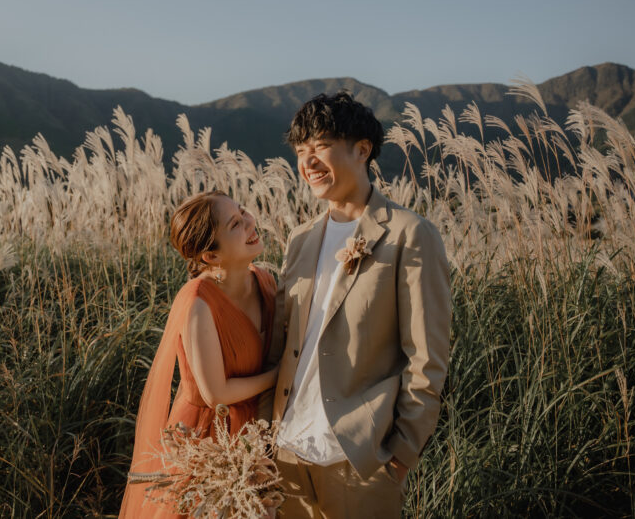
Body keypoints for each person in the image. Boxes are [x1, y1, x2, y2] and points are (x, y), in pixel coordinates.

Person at [268, 91, 451, 518]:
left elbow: (426, 356)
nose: (308, 162)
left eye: (321, 146)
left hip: (358, 458)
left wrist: (401, 454)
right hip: (287, 452)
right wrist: (265, 437)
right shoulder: (300, 239)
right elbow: (280, 344)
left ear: (362, 150)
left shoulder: (410, 234)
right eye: (301, 151)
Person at [120, 190, 280, 518]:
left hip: (259, 428)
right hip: (208, 438)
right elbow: (216, 393)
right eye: (235, 224)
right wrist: (282, 376)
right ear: (211, 256)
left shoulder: (265, 282)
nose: (250, 222)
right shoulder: (198, 302)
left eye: (243, 212)